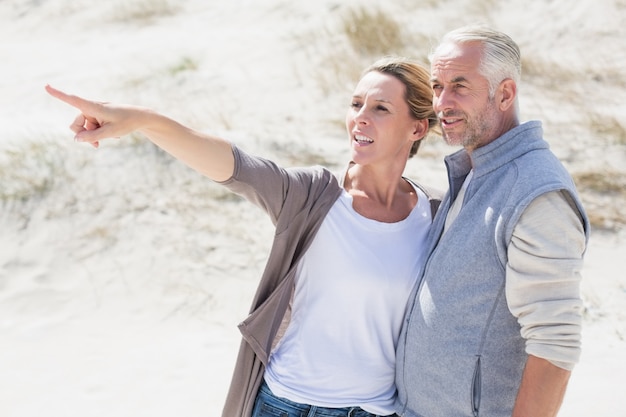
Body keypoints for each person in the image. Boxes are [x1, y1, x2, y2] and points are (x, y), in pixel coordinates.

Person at [46, 56, 441, 417]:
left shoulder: (435, 215)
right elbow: (234, 166)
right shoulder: (312, 195)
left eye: (381, 109)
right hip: (283, 405)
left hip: (372, 411)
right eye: (356, 104)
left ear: (417, 127)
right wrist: (145, 121)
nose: (361, 118)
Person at [393, 25, 589, 417]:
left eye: (460, 86)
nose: (441, 103)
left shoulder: (536, 191)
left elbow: (555, 345)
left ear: (505, 93)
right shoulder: (477, 168)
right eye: (437, 86)